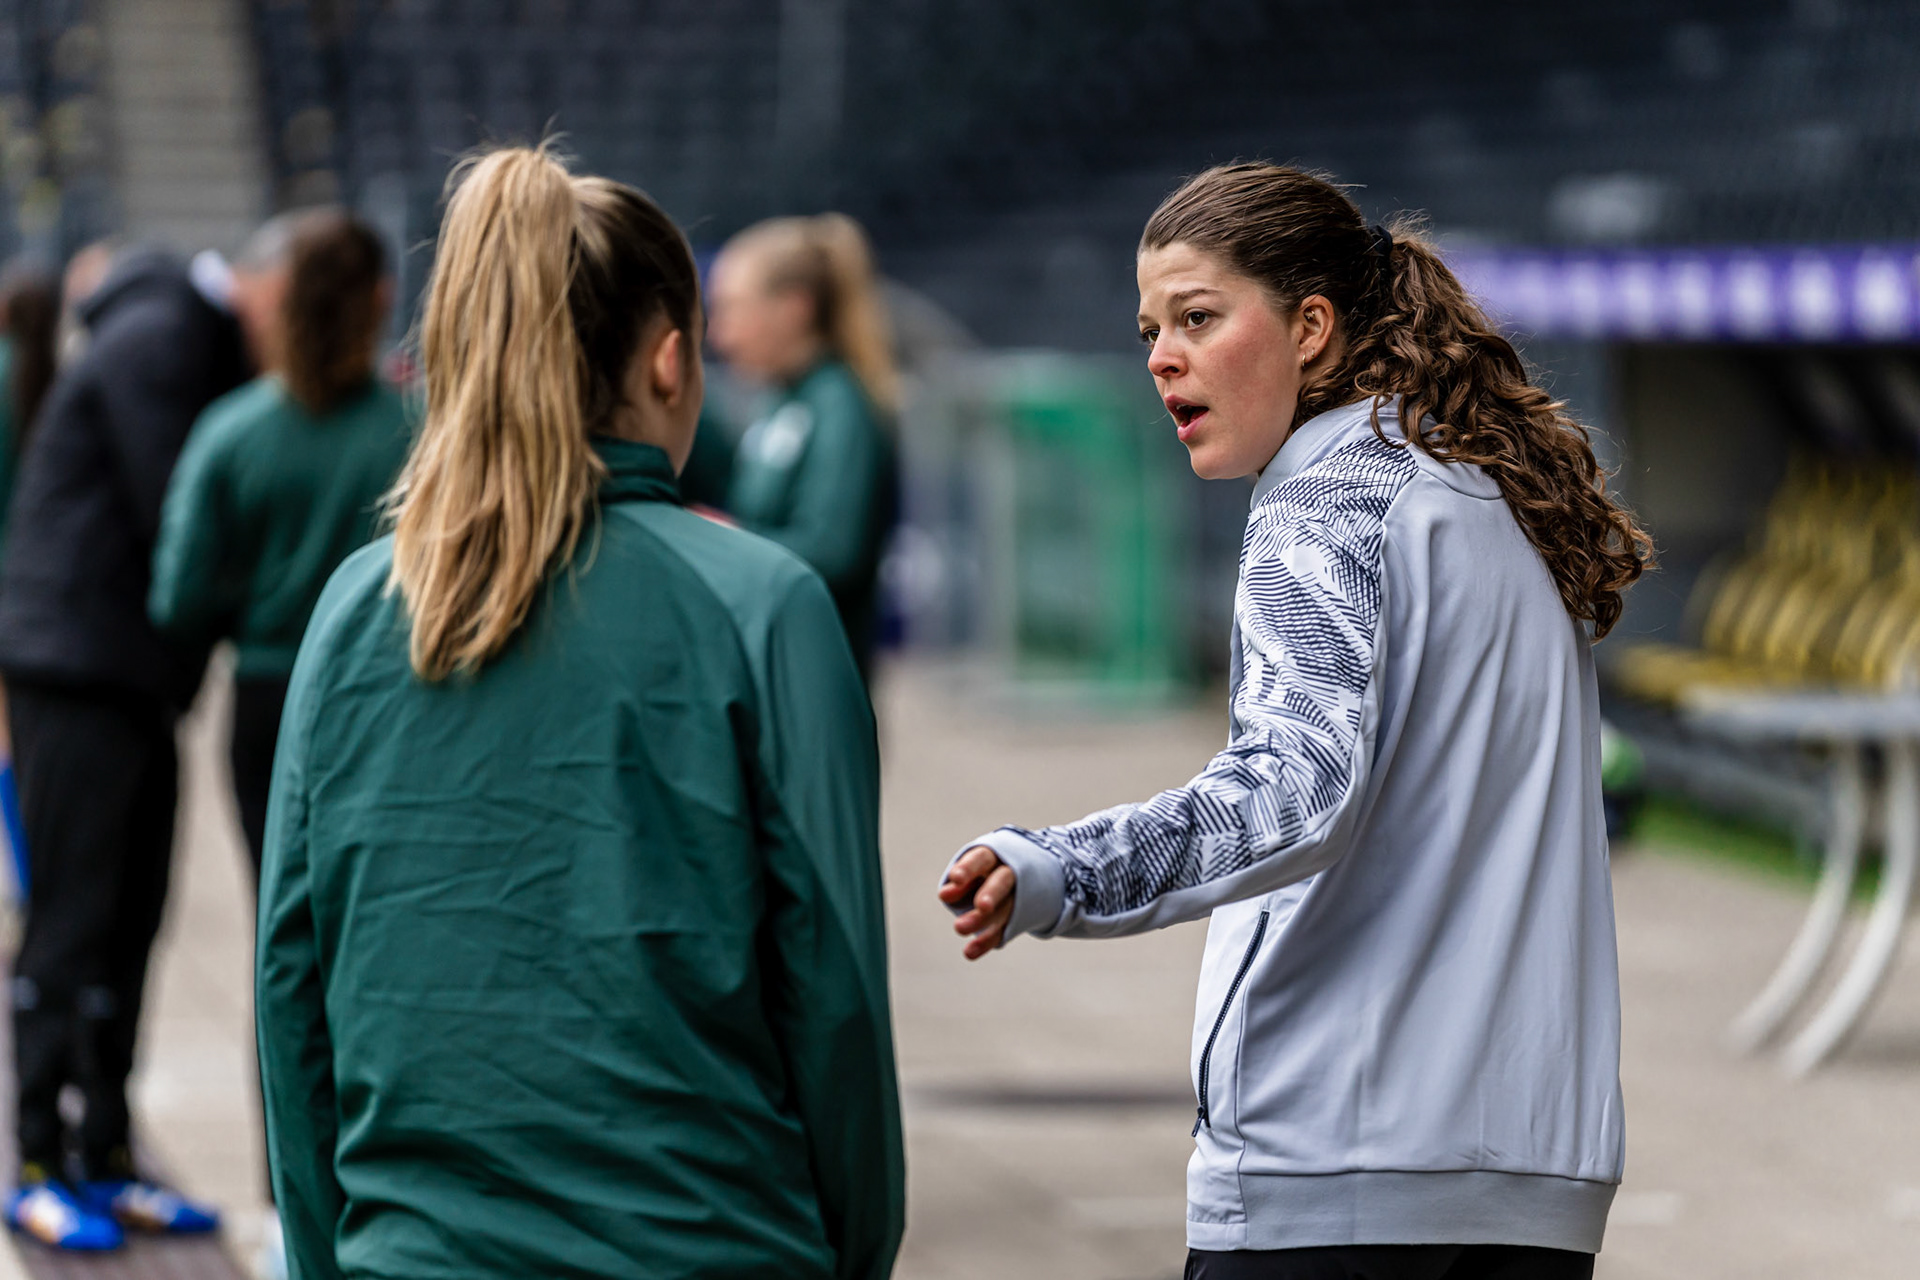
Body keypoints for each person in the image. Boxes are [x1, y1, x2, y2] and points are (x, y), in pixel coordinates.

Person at [939, 164, 1652, 1280]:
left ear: (1312, 326)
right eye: (1149, 328)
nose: (1160, 355)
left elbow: (1291, 791)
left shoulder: (1325, 501)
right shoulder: (1489, 491)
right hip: (1531, 1177)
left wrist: (1059, 868)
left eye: (1198, 316)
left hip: (1339, 1169)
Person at [256, 146, 903, 1280]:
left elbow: (291, 981)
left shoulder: (358, 602)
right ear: (668, 360)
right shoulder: (764, 605)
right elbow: (837, 1001)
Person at [0, 243, 252, 1250]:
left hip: (131, 677)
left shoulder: (176, 336)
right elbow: (177, 518)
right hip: (78, 675)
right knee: (72, 921)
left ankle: (104, 1153)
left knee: (131, 918)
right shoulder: (158, 340)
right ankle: (32, 1160)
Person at [151, 210, 410, 879]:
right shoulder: (428, 429)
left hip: (270, 696)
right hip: (394, 691)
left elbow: (178, 598)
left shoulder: (230, 432)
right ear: (381, 299)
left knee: (279, 905)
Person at [708, 213, 899, 675]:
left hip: (822, 676)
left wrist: (724, 541)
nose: (720, 335)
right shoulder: (778, 399)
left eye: (733, 309)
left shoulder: (841, 406)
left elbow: (833, 550)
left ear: (794, 307)